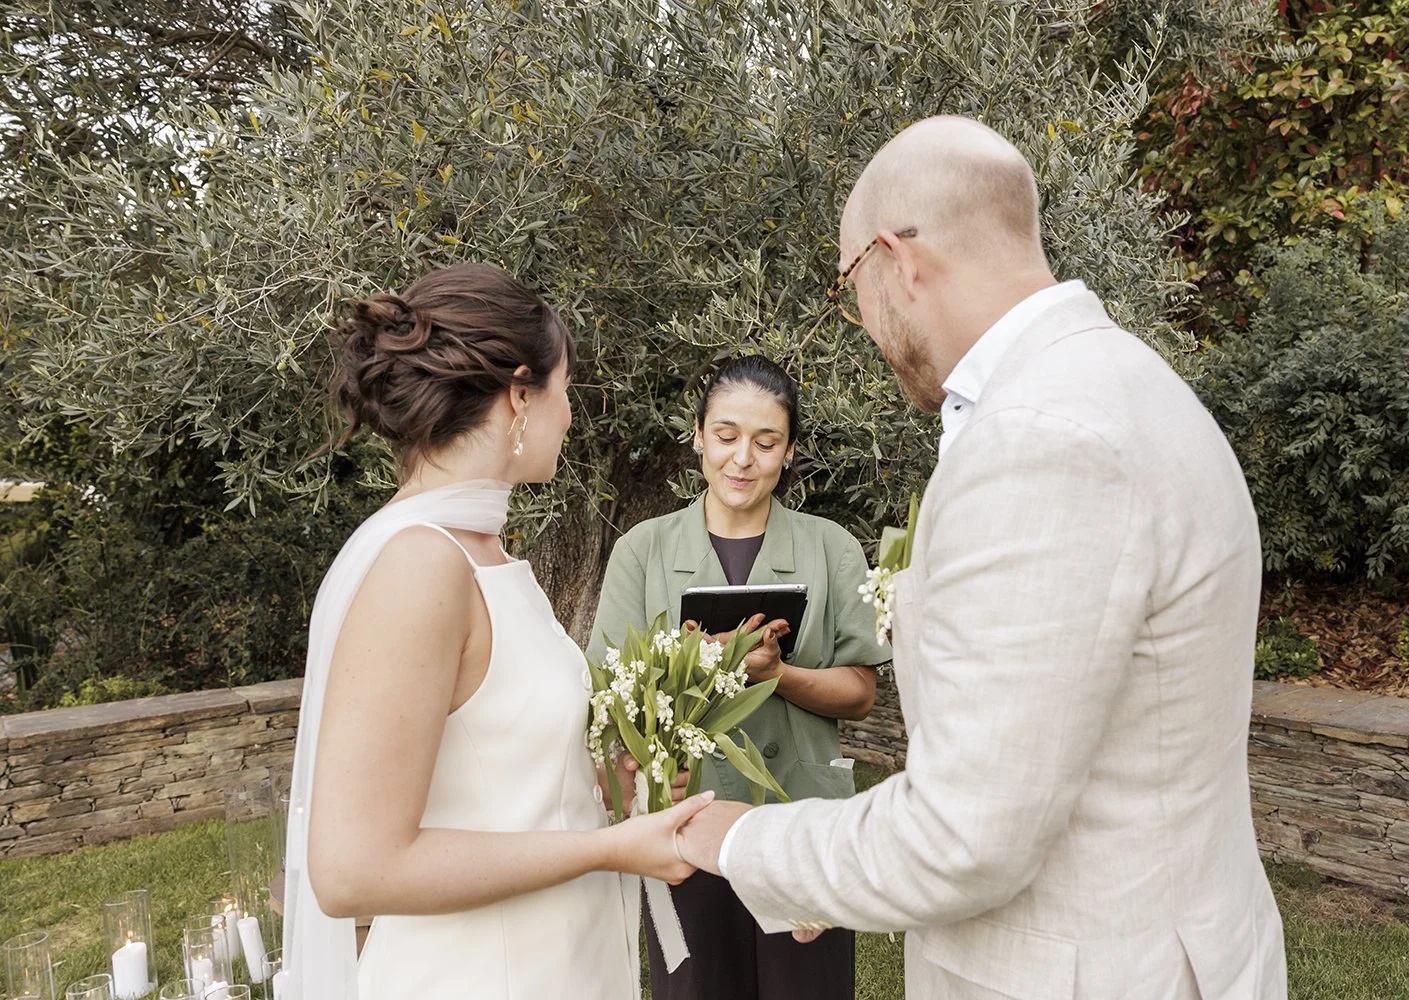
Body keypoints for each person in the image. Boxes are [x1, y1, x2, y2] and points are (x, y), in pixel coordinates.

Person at [677, 117, 1289, 999]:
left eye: (851, 283)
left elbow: (964, 838)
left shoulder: (1040, 439)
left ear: (898, 259)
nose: (860, 319)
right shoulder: (1133, 383)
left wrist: (736, 840)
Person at [280, 262, 714, 1000]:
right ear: (519, 395)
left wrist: (616, 790)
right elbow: (354, 869)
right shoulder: (419, 565)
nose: (571, 417)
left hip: (560, 962)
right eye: (565, 389)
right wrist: (608, 849)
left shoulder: (489, 554)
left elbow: (503, 784)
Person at [588, 354, 887, 1000]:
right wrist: (705, 668)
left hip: (803, 824)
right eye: (725, 437)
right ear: (698, 436)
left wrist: (776, 675)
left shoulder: (830, 548)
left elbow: (860, 692)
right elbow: (608, 695)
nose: (742, 459)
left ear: (788, 451)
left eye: (765, 441)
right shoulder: (643, 550)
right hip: (685, 823)